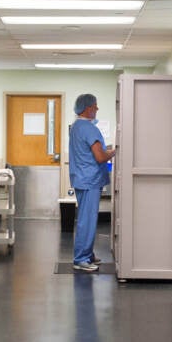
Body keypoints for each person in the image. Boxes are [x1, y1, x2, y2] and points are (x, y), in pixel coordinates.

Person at [69, 93, 116, 272]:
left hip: (82, 178)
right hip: (89, 180)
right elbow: (100, 156)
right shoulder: (89, 129)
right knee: (87, 221)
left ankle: (87, 254)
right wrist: (114, 151)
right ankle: (81, 259)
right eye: (95, 107)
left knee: (85, 219)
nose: (97, 110)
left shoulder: (76, 127)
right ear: (88, 108)